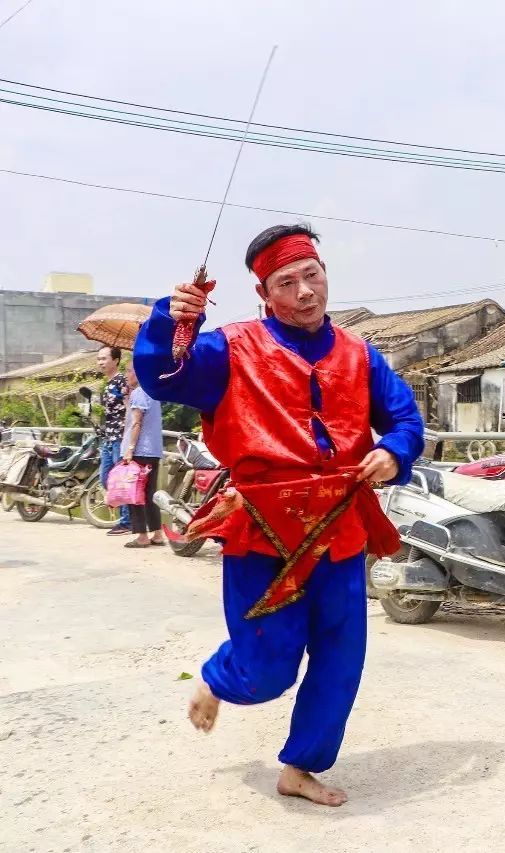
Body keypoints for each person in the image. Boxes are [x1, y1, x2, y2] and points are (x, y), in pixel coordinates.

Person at [133, 223, 424, 806]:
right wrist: (171, 317)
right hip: (262, 529)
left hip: (339, 527)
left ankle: (300, 768)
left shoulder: (360, 354)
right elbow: (163, 376)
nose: (305, 292)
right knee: (267, 670)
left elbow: (404, 418)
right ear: (265, 294)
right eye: (286, 283)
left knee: (342, 661)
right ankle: (219, 676)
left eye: (312, 276)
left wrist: (394, 452)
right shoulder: (229, 348)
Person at [120, 362, 165, 548]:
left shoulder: (139, 393)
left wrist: (130, 449)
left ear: (138, 373)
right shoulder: (152, 392)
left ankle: (142, 536)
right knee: (149, 494)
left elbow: (136, 423)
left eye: (129, 371)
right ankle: (157, 534)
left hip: (139, 452)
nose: (126, 375)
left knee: (135, 494)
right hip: (153, 451)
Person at [95, 346, 132, 535]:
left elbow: (129, 407)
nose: (101, 362)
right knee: (105, 478)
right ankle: (126, 515)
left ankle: (127, 521)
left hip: (119, 436)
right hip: (108, 436)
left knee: (120, 479)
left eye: (104, 358)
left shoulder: (121, 381)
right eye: (99, 359)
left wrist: (128, 437)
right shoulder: (108, 383)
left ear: (116, 360)